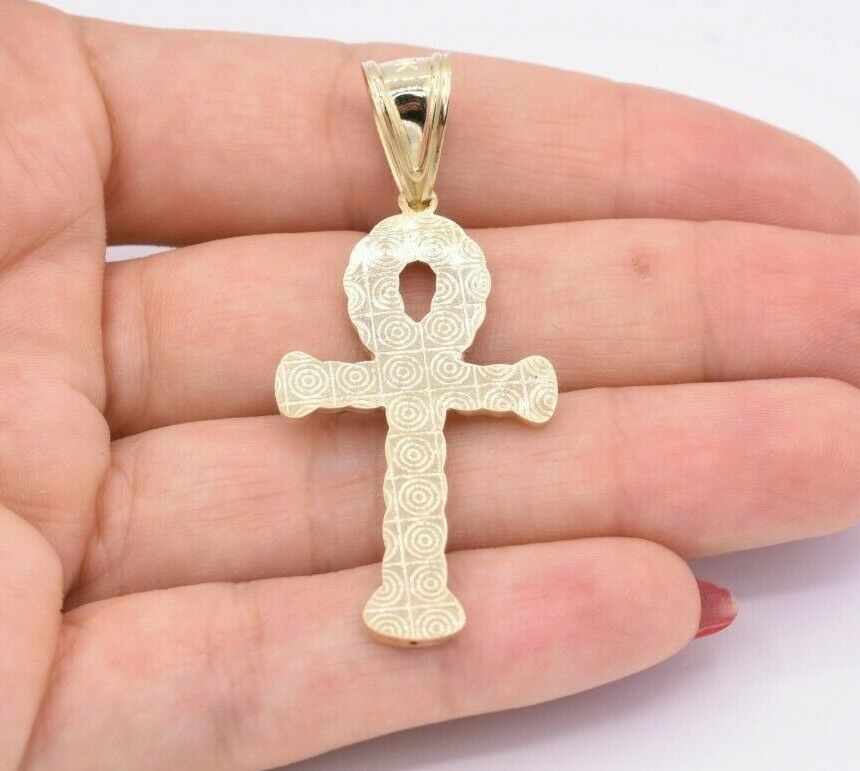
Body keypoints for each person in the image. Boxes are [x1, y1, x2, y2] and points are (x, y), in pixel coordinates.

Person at [2, 2, 858, 769]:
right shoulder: (402, 342)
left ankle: (415, 590)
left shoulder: (433, 342)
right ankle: (414, 591)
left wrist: (491, 382)